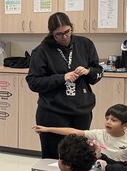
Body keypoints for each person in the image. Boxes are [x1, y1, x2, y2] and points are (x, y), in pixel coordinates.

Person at [26, 11, 104, 159]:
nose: (64, 37)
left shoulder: (85, 44)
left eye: (67, 32)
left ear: (71, 28)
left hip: (81, 110)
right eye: (59, 34)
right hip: (53, 111)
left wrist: (88, 71)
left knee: (79, 156)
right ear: (52, 34)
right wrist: (62, 78)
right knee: (54, 157)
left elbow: (98, 72)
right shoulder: (41, 51)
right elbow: (33, 82)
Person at [34, 103, 127, 162]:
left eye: (114, 120)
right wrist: (47, 129)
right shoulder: (98, 134)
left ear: (125, 125)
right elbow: (74, 131)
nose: (108, 122)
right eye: (107, 118)